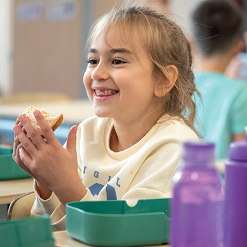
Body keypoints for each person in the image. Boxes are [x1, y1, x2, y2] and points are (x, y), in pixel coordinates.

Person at [13, 3, 199, 231]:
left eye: (117, 61)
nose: (97, 73)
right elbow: (49, 230)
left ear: (163, 80)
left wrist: (66, 186)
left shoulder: (176, 150)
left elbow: (125, 235)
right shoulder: (87, 132)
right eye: (92, 61)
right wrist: (46, 182)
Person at [191, 0, 247, 160]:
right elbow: (241, 159)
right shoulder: (239, 92)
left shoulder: (175, 85)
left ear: (193, 44)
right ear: (238, 46)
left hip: (180, 180)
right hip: (220, 184)